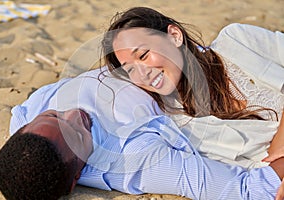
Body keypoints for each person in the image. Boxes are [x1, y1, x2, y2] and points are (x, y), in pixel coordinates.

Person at [0, 67, 284, 200]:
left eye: (54, 115)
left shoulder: (25, 118)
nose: (74, 113)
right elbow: (251, 189)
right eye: (78, 132)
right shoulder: (133, 159)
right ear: (75, 178)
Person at [101, 6, 284, 169]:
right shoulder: (183, 127)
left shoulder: (238, 41)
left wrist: (279, 144)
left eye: (143, 55)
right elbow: (259, 172)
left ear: (174, 36)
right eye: (130, 69)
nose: (142, 74)